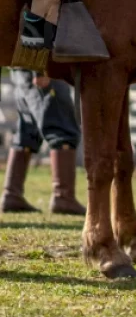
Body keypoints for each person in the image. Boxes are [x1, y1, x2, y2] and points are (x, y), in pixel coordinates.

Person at [1, 69, 85, 214]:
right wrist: (41, 70)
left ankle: (11, 194)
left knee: (27, 132)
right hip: (42, 66)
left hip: (21, 70)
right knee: (63, 130)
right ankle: (63, 197)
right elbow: (35, 44)